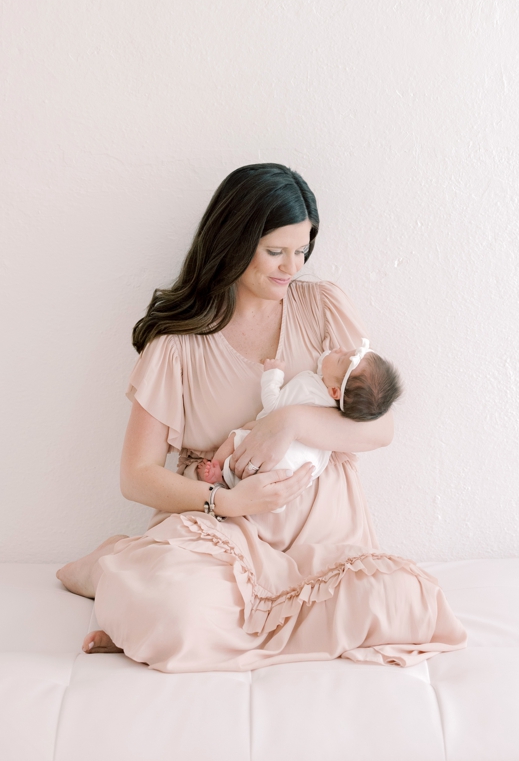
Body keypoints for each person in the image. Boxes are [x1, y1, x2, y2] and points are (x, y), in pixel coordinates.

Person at [57, 163, 466, 672]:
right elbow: (136, 476)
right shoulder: (178, 344)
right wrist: (229, 501)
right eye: (276, 251)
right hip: (222, 538)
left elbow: (380, 427)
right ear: (234, 240)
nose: (291, 267)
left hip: (322, 544)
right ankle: (123, 576)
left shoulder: (322, 307)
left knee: (406, 603)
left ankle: (162, 611)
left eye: (302, 251)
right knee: (177, 612)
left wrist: (289, 422)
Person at [195, 343, 403, 490]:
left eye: (340, 357)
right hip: (291, 476)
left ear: (334, 391)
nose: (339, 348)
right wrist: (334, 361)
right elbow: (329, 369)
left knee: (237, 436)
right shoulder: (343, 408)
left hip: (265, 457)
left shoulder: (307, 387)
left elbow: (273, 406)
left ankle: (217, 469)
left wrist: (272, 376)